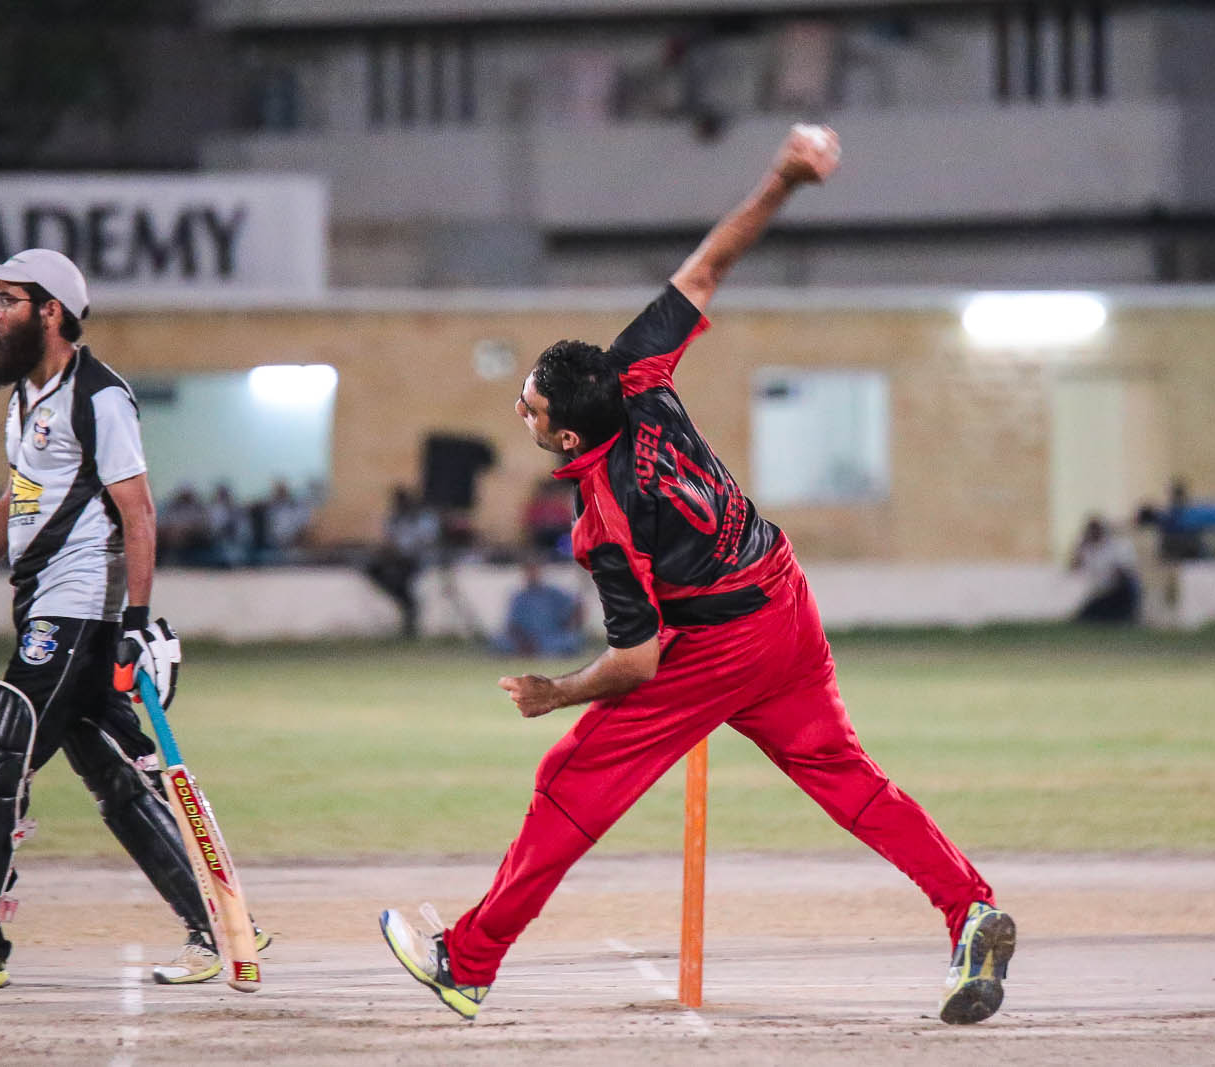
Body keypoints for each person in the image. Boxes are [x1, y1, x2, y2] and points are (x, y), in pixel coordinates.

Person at [379, 126, 1015, 1027]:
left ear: (567, 435)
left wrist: (556, 692)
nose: (519, 406)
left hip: (720, 643)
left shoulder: (603, 515)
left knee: (572, 778)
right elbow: (710, 267)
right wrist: (784, 177)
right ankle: (968, 906)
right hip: (784, 595)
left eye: (529, 406)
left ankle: (468, 961)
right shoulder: (635, 370)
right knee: (846, 776)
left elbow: (637, 663)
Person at [0, 248, 267, 990]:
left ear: (51, 311)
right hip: (47, 602)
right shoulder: (26, 396)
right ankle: (218, 927)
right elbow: (19, 498)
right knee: (118, 773)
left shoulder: (100, 397)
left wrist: (137, 621)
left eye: (8, 299)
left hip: (77, 606)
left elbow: (138, 510)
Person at [365, 486, 440, 638]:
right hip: (398, 559)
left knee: (403, 578)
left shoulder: (423, 518)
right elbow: (389, 541)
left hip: (417, 560)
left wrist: (405, 551)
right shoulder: (394, 519)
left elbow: (426, 542)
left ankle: (408, 605)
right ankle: (406, 602)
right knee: (373, 569)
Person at [491, 559, 585, 657]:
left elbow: (577, 607)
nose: (532, 574)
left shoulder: (554, 593)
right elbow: (512, 625)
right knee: (500, 641)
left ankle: (547, 653)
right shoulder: (519, 597)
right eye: (528, 572)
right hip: (526, 639)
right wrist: (524, 641)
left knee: (570, 640)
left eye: (534, 571)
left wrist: (569, 625)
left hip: (551, 637)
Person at [1070, 515, 1141, 624]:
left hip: (1120, 591)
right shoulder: (1088, 548)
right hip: (1103, 591)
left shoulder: (1117, 545)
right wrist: (1080, 547)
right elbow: (1074, 567)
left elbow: (1123, 574)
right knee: (1086, 616)